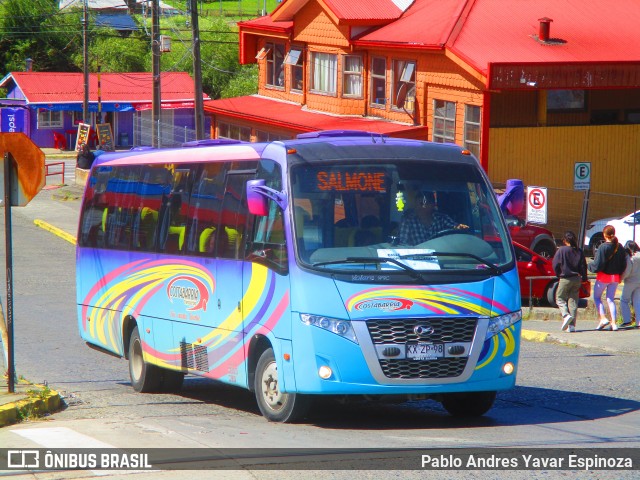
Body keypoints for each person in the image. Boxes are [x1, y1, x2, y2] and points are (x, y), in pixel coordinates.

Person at [588, 225, 628, 331]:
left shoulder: (603, 247)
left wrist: (589, 266)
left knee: (597, 297)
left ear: (604, 234)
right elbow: (624, 263)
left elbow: (598, 264)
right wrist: (620, 274)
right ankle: (614, 323)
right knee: (610, 299)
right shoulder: (619, 246)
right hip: (615, 277)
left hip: (603, 276)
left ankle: (603, 318)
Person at [397, 191, 468, 245]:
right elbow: (403, 244)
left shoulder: (441, 218)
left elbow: (454, 227)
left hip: (442, 257)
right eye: (416, 204)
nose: (418, 207)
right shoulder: (408, 222)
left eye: (422, 204)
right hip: (417, 260)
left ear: (432, 205)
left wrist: (459, 227)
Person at [552, 231, 588, 332]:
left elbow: (555, 264)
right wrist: (584, 278)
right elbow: (583, 266)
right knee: (573, 301)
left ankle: (565, 315)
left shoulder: (561, 250)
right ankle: (572, 326)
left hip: (565, 278)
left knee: (559, 298)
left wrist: (558, 274)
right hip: (577, 278)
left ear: (565, 240)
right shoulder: (579, 251)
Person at [620, 240, 640, 328]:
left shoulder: (631, 257)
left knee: (624, 300)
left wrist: (621, 278)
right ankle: (639, 322)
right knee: (637, 302)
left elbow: (627, 271)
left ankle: (627, 320)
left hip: (630, 281)